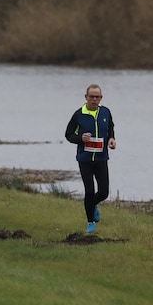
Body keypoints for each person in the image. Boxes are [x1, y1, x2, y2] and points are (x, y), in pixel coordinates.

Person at [64, 84, 117, 234]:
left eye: (97, 97)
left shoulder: (105, 112)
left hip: (101, 158)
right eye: (92, 97)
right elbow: (68, 135)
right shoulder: (79, 114)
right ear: (86, 97)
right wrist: (81, 138)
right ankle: (90, 223)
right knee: (89, 191)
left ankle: (92, 205)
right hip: (85, 159)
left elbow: (110, 128)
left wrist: (111, 139)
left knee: (104, 192)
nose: (94, 99)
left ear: (101, 98)